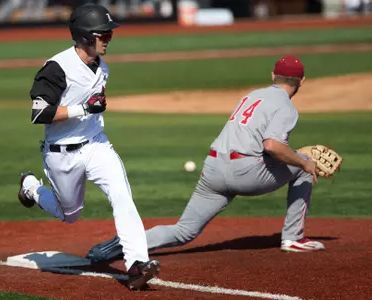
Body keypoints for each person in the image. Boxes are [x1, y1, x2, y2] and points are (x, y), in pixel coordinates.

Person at [86, 55, 326, 263]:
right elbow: (272, 145)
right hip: (245, 172)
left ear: (273, 75)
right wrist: (302, 161)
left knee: (184, 231)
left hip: (213, 168)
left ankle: (119, 245)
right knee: (306, 163)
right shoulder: (286, 107)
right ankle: (293, 238)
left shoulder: (253, 95)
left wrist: (291, 157)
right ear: (301, 82)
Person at [17, 3, 160, 290]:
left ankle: (136, 264)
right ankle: (31, 187)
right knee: (69, 215)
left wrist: (88, 112)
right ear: (84, 36)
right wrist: (82, 108)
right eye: (103, 34)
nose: (109, 38)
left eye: (109, 34)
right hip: (61, 153)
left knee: (122, 195)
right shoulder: (57, 68)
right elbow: (38, 113)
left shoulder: (101, 67)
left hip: (96, 145)